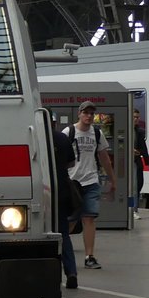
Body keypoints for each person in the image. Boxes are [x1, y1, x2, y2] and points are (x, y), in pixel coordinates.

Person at [64, 100, 116, 269]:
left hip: (91, 181)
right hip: (73, 181)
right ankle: (64, 252)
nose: (89, 116)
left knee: (89, 218)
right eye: (86, 113)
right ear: (79, 113)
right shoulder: (69, 132)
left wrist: (112, 179)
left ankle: (89, 256)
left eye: (91, 113)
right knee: (71, 220)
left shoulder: (96, 133)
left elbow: (104, 158)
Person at [52, 127, 78, 288]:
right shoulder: (61, 138)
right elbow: (71, 162)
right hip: (60, 191)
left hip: (38, 193)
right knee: (63, 234)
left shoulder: (31, 135)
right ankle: (71, 272)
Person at [131, 109, 149, 218]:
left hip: (137, 161)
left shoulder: (140, 131)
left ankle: (134, 209)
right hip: (128, 163)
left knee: (138, 185)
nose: (136, 119)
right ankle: (133, 209)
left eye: (137, 117)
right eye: (134, 117)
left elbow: (143, 147)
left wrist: (147, 161)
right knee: (133, 187)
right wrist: (130, 149)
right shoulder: (126, 130)